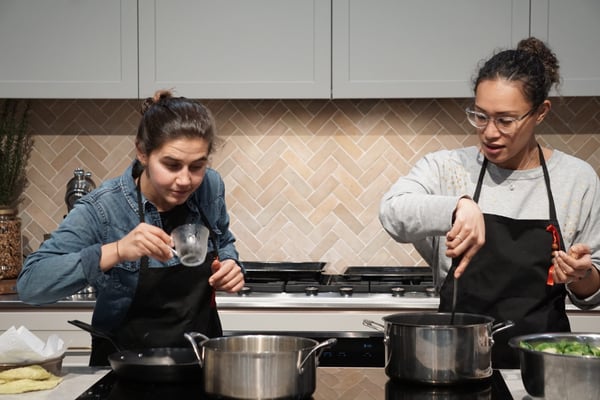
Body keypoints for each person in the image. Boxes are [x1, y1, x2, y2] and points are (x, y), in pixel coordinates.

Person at [379, 37, 600, 368]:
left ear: (541, 112)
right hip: (454, 365)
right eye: (480, 116)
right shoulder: (447, 168)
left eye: (505, 120)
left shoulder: (576, 179)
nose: (490, 133)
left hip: (542, 371)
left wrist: (581, 276)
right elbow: (392, 211)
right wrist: (458, 206)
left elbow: (590, 292)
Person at [17, 90, 245, 365]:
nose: (185, 180)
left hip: (200, 363)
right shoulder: (103, 209)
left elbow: (223, 240)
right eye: (171, 165)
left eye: (197, 166)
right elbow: (31, 285)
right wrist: (117, 250)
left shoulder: (209, 186)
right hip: (124, 370)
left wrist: (231, 265)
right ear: (142, 152)